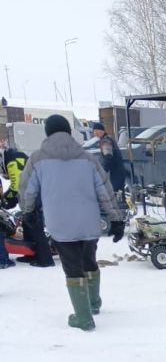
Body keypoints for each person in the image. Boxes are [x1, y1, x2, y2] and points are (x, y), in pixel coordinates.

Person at [20, 114, 125, 330]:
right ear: (69, 132)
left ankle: (83, 317)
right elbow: (104, 190)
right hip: (89, 221)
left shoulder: (37, 159)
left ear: (47, 133)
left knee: (72, 267)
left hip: (60, 223)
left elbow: (27, 190)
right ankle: (93, 303)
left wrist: (28, 213)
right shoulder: (88, 158)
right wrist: (116, 219)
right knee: (89, 260)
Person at [1, 147, 55, 267]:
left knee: (35, 226)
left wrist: (7, 198)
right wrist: (13, 198)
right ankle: (31, 254)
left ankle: (45, 259)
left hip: (34, 196)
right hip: (34, 194)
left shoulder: (12, 161)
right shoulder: (19, 157)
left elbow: (16, 185)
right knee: (27, 225)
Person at [92, 122, 127, 194]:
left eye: (96, 131)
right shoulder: (108, 138)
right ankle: (124, 204)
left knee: (115, 194)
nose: (95, 133)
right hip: (118, 171)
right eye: (94, 131)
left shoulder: (105, 141)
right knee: (119, 194)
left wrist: (103, 170)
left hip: (115, 172)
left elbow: (107, 156)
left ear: (102, 131)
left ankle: (123, 204)